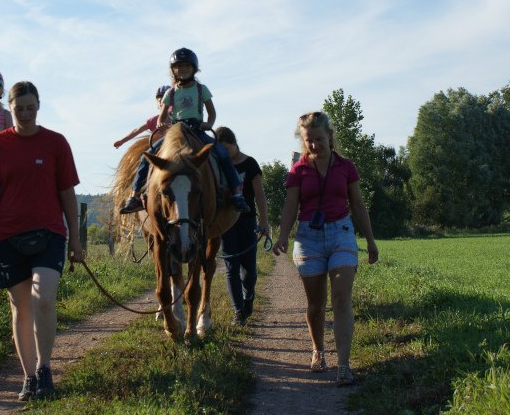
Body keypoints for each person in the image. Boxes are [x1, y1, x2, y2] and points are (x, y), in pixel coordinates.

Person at [0, 81, 84, 401]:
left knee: (42, 299)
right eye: (19, 108)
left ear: (39, 106)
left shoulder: (56, 143)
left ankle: (46, 369)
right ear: (11, 108)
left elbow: (67, 194)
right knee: (20, 308)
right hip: (8, 236)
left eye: (31, 107)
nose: (26, 114)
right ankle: (29, 376)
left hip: (49, 233)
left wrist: (75, 238)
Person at [271, 110, 379, 385]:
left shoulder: (346, 166)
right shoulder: (299, 170)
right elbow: (290, 206)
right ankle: (318, 351)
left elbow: (357, 205)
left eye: (319, 139)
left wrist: (369, 239)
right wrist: (283, 235)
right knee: (316, 304)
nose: (314, 145)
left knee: (342, 296)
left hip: (341, 232)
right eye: (309, 141)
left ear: (330, 136)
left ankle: (344, 364)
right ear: (303, 141)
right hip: (308, 237)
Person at [119, 47, 248, 214]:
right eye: (178, 66)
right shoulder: (171, 93)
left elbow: (212, 112)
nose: (182, 69)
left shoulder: (202, 90)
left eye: (186, 66)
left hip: (197, 129)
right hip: (176, 130)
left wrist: (209, 123)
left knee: (222, 153)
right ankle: (135, 196)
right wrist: (160, 124)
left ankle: (237, 193)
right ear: (173, 70)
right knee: (147, 157)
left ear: (194, 68)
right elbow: (162, 115)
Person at [215, 126, 269, 326]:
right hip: (226, 223)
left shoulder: (250, 164)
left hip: (247, 221)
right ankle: (238, 311)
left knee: (249, 271)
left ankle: (249, 298)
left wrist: (264, 221)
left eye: (226, 149)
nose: (225, 154)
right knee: (231, 267)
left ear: (234, 144)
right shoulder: (219, 166)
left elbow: (260, 196)